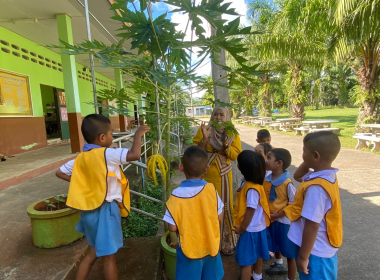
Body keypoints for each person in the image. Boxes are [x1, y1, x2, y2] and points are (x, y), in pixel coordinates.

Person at [56, 114, 149, 280]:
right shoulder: (107, 154)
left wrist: (85, 183)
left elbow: (60, 172)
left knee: (92, 252)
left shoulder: (81, 158)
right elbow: (135, 155)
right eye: (111, 134)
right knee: (109, 258)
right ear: (102, 137)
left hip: (88, 213)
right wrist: (137, 135)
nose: (112, 138)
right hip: (105, 211)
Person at [283, 131, 342, 280]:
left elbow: (312, 225)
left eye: (304, 151)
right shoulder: (324, 174)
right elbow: (297, 176)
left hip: (315, 252)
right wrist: (309, 160)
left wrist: (303, 258)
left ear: (316, 156)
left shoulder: (317, 189)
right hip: (314, 248)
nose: (302, 154)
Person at [164, 146, 224, 280]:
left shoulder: (176, 195)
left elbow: (172, 228)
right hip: (211, 248)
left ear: (181, 167)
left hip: (189, 250)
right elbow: (219, 217)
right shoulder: (211, 190)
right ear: (206, 168)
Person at [193, 107, 242, 255]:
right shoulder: (205, 129)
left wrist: (226, 145)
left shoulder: (231, 132)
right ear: (212, 115)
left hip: (223, 175)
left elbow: (235, 156)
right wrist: (205, 138)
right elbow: (196, 150)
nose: (219, 117)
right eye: (216, 114)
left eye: (222, 114)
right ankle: (207, 242)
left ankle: (225, 243)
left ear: (227, 116)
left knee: (224, 207)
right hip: (205, 174)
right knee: (206, 206)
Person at [233, 150, 271, 280]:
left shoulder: (251, 188)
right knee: (258, 254)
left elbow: (250, 210)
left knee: (245, 262)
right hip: (259, 228)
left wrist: (242, 228)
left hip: (249, 230)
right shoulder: (256, 183)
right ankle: (257, 276)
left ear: (242, 168)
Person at [263, 148, 297, 280]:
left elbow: (293, 204)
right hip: (271, 220)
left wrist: (278, 215)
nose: (266, 160)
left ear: (279, 163)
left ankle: (291, 278)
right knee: (275, 243)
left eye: (269, 158)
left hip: (283, 223)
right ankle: (278, 263)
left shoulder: (287, 183)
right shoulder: (267, 179)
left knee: (289, 252)